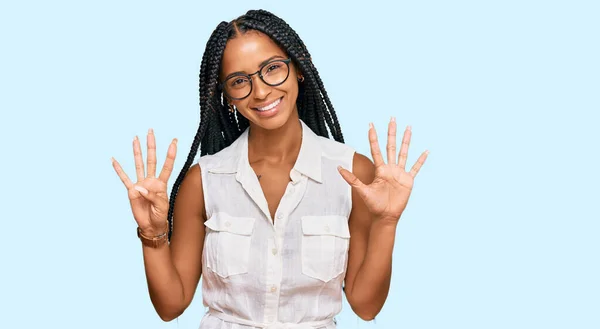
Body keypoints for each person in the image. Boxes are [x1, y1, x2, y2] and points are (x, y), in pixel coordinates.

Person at [111, 9, 428, 329]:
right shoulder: (203, 181)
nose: (261, 91)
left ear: (298, 69)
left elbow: (366, 306)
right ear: (227, 96)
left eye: (272, 69)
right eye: (239, 81)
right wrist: (152, 235)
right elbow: (171, 305)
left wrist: (387, 222)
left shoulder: (352, 173)